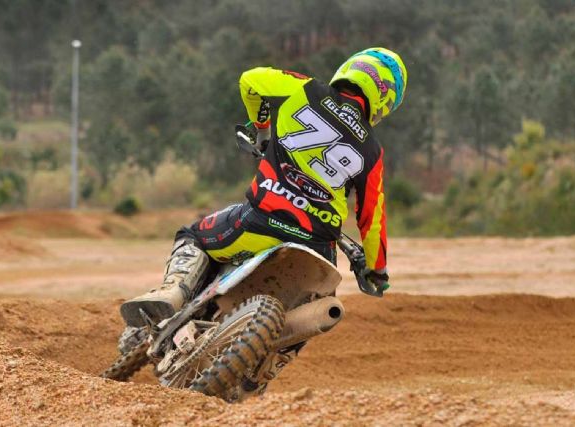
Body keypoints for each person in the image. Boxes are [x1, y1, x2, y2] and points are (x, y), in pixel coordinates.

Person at [120, 47, 408, 327]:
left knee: (193, 235)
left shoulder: (306, 88)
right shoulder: (373, 151)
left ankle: (173, 293)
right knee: (314, 311)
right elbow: (372, 217)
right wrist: (377, 269)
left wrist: (262, 129)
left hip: (262, 221)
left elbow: (250, 80)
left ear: (350, 69)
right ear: (385, 100)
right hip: (320, 247)